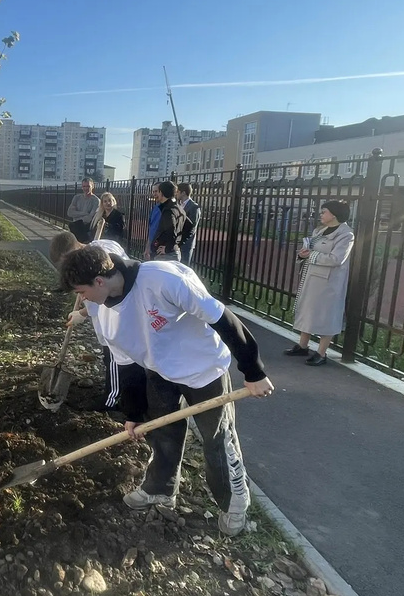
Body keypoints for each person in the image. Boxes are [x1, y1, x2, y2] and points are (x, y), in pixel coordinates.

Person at [58, 244, 275, 536]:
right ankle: (160, 488)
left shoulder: (163, 280)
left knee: (217, 440)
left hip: (202, 368)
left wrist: (254, 371)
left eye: (80, 292)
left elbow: (224, 319)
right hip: (158, 370)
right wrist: (133, 413)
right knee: (163, 433)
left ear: (99, 281)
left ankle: (233, 501)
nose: (81, 299)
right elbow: (126, 365)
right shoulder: (103, 312)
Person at [48, 231, 139, 416]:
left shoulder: (102, 251)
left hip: (117, 315)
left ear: (76, 246)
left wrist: (82, 313)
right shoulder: (93, 253)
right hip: (110, 314)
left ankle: (111, 399)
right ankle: (121, 394)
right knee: (114, 357)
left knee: (115, 356)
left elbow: (108, 288)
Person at [285, 200, 354, 366]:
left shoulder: (346, 234)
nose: (321, 214)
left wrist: (311, 256)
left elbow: (337, 259)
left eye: (324, 212)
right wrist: (303, 254)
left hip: (330, 282)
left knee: (327, 314)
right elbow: (311, 250)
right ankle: (303, 345)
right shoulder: (319, 230)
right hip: (312, 277)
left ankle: (321, 353)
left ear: (334, 214)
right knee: (308, 310)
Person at [149, 180, 187, 261]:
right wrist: (177, 244)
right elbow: (189, 227)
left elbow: (171, 232)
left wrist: (168, 248)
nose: (155, 194)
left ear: (161, 193)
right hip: (172, 253)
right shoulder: (179, 208)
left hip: (166, 256)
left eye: (157, 191)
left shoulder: (169, 211)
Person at [66, 178, 99, 243]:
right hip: (74, 228)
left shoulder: (96, 200)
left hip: (86, 230)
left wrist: (76, 215)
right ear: (82, 187)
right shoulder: (77, 198)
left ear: (92, 186)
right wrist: (84, 213)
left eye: (88, 186)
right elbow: (69, 213)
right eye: (84, 186)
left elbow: (89, 218)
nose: (86, 188)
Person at [175, 183, 199, 265]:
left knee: (184, 267)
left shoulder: (194, 207)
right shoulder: (179, 205)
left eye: (177, 191)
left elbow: (192, 227)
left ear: (183, 193)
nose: (176, 193)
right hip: (176, 242)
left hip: (186, 244)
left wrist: (181, 242)